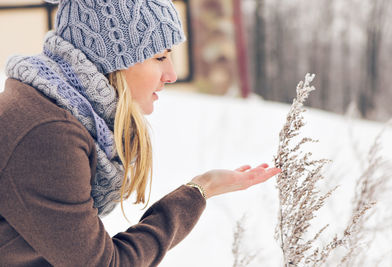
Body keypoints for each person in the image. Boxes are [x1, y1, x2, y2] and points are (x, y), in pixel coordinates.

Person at [0, 0, 281, 266]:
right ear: (110, 62)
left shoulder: (47, 114)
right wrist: (199, 190)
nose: (170, 74)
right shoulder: (47, 133)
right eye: (159, 57)